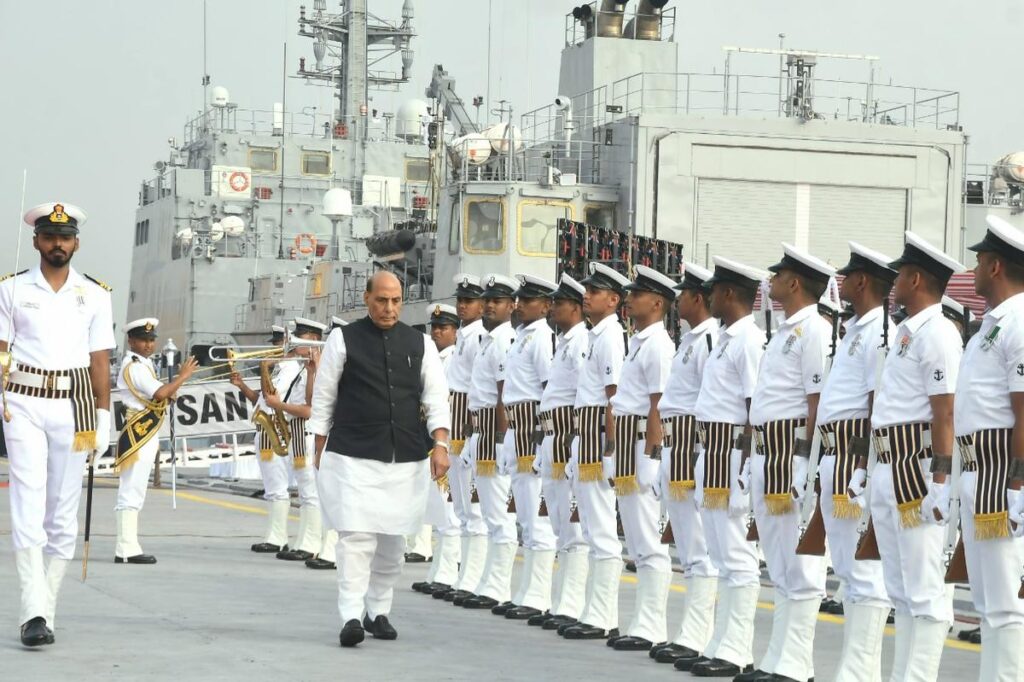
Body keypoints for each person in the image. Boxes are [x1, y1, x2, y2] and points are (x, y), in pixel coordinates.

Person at [310, 271, 450, 647]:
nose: (389, 308)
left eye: (395, 301)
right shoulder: (343, 339)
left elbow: (436, 399)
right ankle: (351, 615)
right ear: (367, 299)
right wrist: (318, 445)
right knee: (355, 539)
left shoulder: (420, 343)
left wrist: (441, 445)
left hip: (404, 456)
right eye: (381, 301)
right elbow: (324, 397)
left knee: (392, 543)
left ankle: (378, 610)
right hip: (352, 454)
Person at [0, 201, 115, 646]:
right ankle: (32, 610)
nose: (57, 244)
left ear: (76, 243)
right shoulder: (11, 288)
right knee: (27, 502)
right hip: (23, 402)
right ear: (37, 242)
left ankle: (46, 608)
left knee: (63, 510)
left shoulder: (95, 293)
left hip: (75, 405)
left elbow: (100, 359)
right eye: (49, 237)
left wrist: (104, 416)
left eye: (64, 238)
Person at [866, 231, 964, 681]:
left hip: (917, 468)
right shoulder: (906, 330)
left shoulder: (940, 332)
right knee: (899, 589)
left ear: (917, 278)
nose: (894, 283)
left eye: (900, 274)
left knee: (924, 591)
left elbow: (944, 412)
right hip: (889, 463)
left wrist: (941, 482)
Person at [741, 244, 833, 682]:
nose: (770, 279)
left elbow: (816, 404)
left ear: (794, 283)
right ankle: (779, 660)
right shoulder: (783, 330)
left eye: (778, 274)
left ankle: (797, 665)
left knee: (800, 566)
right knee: (777, 564)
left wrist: (805, 465)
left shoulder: (814, 328)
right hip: (766, 449)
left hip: (789, 451)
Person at [817, 242, 895, 680]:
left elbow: (873, 403)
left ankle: (860, 674)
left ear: (862, 282)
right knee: (848, 570)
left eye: (847, 276)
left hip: (853, 455)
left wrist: (863, 467)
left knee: (864, 573)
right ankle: (853, 669)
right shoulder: (857, 329)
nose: (841, 282)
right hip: (836, 452)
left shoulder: (879, 331)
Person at [686, 256, 766, 677]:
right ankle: (720, 642)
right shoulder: (725, 338)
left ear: (729, 294)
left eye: (714, 290)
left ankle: (737, 648)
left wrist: (748, 467)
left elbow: (755, 407)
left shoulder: (749, 340)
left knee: (737, 557)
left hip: (732, 454)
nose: (709, 296)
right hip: (711, 453)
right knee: (718, 553)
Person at [956, 215, 1024, 681]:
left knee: (1004, 602)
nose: (974, 268)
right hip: (976, 470)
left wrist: (1019, 483)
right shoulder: (990, 325)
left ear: (996, 266)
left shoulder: (1018, 322)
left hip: (1002, 471)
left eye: (979, 260)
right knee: (986, 602)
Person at [649, 262, 720, 666]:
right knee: (688, 550)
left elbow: (711, 400)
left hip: (694, 443)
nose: (676, 300)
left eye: (682, 294)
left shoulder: (709, 339)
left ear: (698, 297)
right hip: (678, 444)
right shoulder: (691, 339)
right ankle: (690, 632)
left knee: (699, 549)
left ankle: (699, 635)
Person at [604, 265, 677, 652]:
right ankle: (641, 622)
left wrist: (651, 454)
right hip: (628, 447)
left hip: (641, 447)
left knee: (648, 541)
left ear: (657, 302)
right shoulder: (639, 341)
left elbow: (658, 404)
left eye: (637, 294)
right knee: (635, 539)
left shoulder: (659, 345)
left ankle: (652, 626)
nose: (629, 298)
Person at [561, 262, 630, 641]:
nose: (586, 295)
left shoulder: (610, 338)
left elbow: (613, 398)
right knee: (589, 526)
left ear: (613, 299)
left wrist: (609, 450)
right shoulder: (594, 334)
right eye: (586, 290)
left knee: (602, 530)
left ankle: (604, 615)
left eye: (594, 291)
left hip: (597, 439)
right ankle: (593, 610)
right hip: (583, 435)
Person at [232, 318, 324, 561]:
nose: (291, 345)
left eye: (298, 340)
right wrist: (264, 369)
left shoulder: (307, 368)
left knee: (309, 492)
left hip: (305, 432)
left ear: (314, 340)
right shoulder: (301, 368)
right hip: (294, 432)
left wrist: (278, 404)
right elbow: (267, 397)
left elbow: (309, 407)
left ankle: (310, 542)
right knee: (296, 491)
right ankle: (291, 540)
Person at [495, 274, 558, 620]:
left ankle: (538, 595)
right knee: (524, 515)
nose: (520, 304)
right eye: (520, 298)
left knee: (537, 519)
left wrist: (540, 441)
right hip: (517, 428)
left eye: (529, 299)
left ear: (546, 305)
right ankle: (526, 592)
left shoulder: (543, 338)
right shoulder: (521, 337)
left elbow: (548, 389)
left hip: (533, 428)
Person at [113, 318, 198, 564]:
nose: (149, 344)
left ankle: (127, 546)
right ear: (131, 341)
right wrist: (183, 377)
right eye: (143, 340)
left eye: (151, 340)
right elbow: (160, 393)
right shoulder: (136, 366)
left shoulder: (143, 364)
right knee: (132, 491)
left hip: (144, 431)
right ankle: (126, 549)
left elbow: (160, 396)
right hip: (138, 433)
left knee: (135, 490)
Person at [532, 274, 590, 630]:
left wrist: (571, 446)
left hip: (569, 436)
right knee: (559, 525)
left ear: (575, 307)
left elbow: (586, 397)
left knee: (575, 528)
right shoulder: (566, 341)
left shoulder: (581, 340)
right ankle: (562, 603)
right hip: (554, 436)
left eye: (559, 302)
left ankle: (572, 604)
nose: (552, 307)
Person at [459, 275, 518, 611]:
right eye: (489, 299)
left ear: (512, 306)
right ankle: (487, 581)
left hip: (493, 432)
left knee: (498, 516)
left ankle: (497, 586)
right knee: (485, 512)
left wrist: (498, 439)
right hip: (480, 430)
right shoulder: (487, 339)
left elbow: (501, 393)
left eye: (499, 300)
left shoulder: (502, 340)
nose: (491, 305)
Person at [430, 274, 488, 601]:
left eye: (470, 301)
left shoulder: (480, 337)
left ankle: (472, 578)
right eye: (461, 300)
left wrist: (472, 430)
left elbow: (477, 388)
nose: (463, 305)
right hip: (454, 421)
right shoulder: (467, 335)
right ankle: (461, 576)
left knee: (472, 510)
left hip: (468, 423)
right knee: (461, 508)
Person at [410, 303, 463, 594]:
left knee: (449, 513)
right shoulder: (432, 358)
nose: (438, 332)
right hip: (429, 440)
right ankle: (438, 572)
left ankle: (447, 574)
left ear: (456, 331)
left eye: (444, 328)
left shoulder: (454, 359)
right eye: (435, 328)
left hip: (447, 441)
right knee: (439, 513)